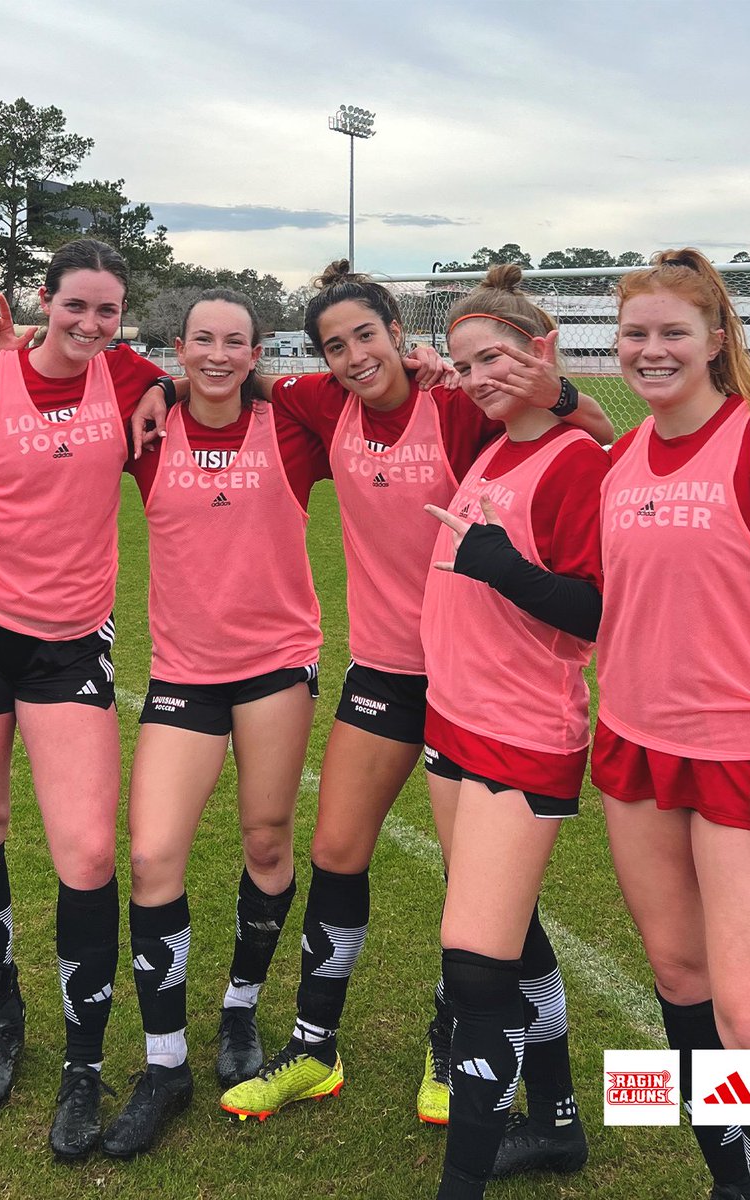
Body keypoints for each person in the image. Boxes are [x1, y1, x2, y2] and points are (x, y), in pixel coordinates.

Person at [158, 262, 613, 1152]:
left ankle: (452, 1050)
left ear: (398, 331)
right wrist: (148, 386)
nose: (355, 356)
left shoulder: (453, 405)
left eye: (367, 335)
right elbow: (228, 379)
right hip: (385, 667)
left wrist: (536, 383)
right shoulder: (320, 404)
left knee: (474, 888)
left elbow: (587, 436)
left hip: (477, 679)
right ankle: (315, 1050)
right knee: (334, 848)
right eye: (336, 345)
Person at [592, 249, 750, 1200]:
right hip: (634, 745)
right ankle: (731, 1178)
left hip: (746, 755)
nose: (651, 351)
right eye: (635, 334)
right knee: (680, 976)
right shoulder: (619, 458)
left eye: (672, 333)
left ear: (715, 341)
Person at [0, 239, 168, 1161]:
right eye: (77, 307)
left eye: (109, 312)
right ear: (45, 304)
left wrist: (160, 392)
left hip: (67, 645)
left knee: (89, 852)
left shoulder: (128, 374)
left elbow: (204, 383)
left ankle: (83, 1064)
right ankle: (0, 1021)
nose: (92, 325)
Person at [100, 289, 328, 1158]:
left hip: (276, 668)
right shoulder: (147, 435)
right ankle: (165, 1064)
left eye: (236, 340)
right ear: (181, 346)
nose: (220, 354)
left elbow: (386, 404)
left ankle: (239, 1004)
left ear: (258, 347)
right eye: (203, 340)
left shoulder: (293, 429)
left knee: (267, 843)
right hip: (184, 673)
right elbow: (96, 361)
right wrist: (154, 380)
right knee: (155, 853)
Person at [418, 265, 607, 1198]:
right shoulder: (492, 451)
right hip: (452, 722)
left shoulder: (577, 459)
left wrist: (505, 571)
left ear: (543, 351)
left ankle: (462, 1187)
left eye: (493, 357)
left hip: (518, 734)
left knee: (476, 971)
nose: (475, 377)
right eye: (461, 364)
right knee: (513, 938)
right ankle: (559, 1123)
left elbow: (595, 613)